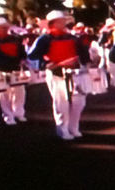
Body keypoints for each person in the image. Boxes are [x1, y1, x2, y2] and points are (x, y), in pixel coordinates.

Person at [28, 10, 90, 140]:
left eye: (64, 20)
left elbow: (84, 54)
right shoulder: (44, 39)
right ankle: (63, 130)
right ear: (52, 23)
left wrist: (88, 63)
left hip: (74, 73)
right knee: (61, 103)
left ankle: (74, 127)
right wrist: (45, 64)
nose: (63, 23)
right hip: (56, 73)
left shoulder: (73, 37)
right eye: (60, 21)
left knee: (79, 102)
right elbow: (32, 55)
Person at [0, 17, 28, 125]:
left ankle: (19, 113)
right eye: (2, 28)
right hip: (1, 69)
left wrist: (22, 59)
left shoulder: (15, 39)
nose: (5, 29)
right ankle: (8, 116)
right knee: (4, 94)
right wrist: (13, 60)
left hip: (16, 69)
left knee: (20, 92)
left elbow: (22, 52)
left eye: (6, 27)